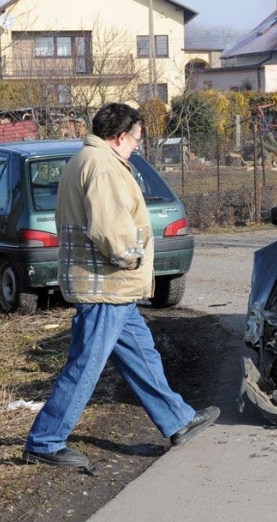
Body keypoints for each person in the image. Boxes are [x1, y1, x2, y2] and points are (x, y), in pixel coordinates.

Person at [24, 102, 219, 468]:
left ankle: (176, 419)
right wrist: (134, 257)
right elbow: (110, 230)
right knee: (86, 365)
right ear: (118, 137)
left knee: (143, 355)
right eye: (135, 140)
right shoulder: (104, 168)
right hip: (105, 286)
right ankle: (46, 441)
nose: (136, 147)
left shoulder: (85, 160)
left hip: (111, 288)